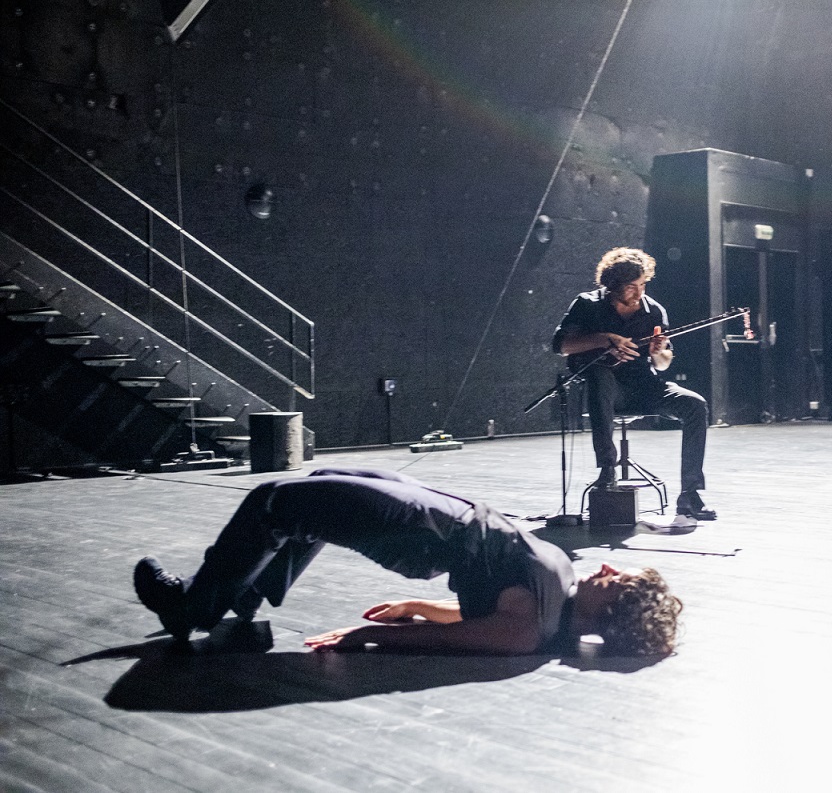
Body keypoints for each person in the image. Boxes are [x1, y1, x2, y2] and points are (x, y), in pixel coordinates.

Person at [133, 467, 682, 657]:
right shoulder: (549, 610)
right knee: (321, 487)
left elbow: (453, 640)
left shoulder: (529, 632)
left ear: (611, 614)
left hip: (422, 537)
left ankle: (189, 609)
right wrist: (420, 605)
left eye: (616, 583)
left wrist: (364, 637)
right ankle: (244, 595)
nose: (607, 570)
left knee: (279, 501)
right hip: (444, 519)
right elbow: (472, 619)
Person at [552, 247, 715, 520]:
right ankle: (607, 470)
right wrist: (605, 338)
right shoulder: (587, 304)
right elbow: (561, 346)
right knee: (601, 376)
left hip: (645, 386)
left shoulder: (654, 312)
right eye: (631, 287)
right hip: (605, 391)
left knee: (695, 405)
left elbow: (663, 363)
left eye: (643, 285)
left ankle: (690, 493)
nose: (639, 293)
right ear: (613, 284)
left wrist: (658, 351)